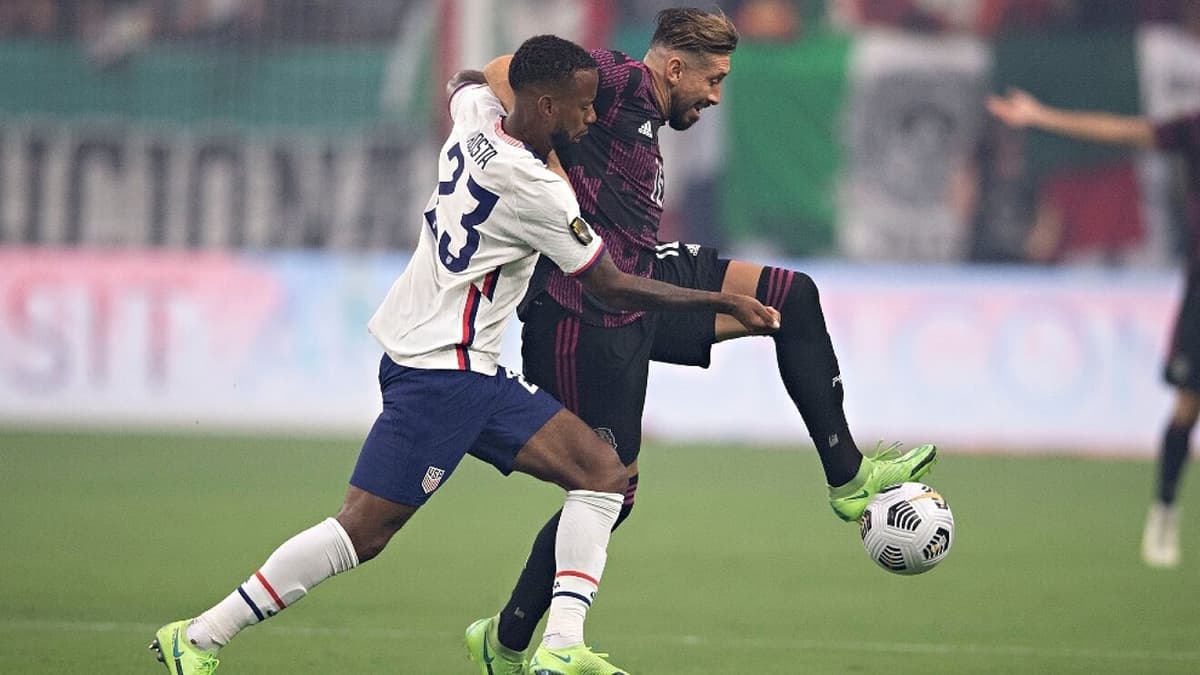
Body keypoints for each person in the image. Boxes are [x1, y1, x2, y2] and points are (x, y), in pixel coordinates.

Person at [149, 34, 780, 675]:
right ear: (542, 106)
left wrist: (502, 107)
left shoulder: (478, 117)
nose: (592, 120)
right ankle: (200, 637)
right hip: (442, 373)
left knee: (603, 475)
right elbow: (610, 282)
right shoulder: (536, 193)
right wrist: (719, 304)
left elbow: (466, 80)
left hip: (462, 363)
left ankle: (561, 647)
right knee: (362, 532)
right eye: (581, 107)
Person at [464, 8, 939, 672]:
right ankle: (513, 640)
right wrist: (552, 178)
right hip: (579, 312)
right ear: (673, 66)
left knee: (790, 298)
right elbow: (497, 72)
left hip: (642, 281)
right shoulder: (617, 78)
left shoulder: (648, 116)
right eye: (712, 80)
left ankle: (848, 478)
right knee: (607, 488)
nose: (716, 96)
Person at [988, 88, 1200, 569]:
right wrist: (1044, 115)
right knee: (1188, 405)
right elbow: (1121, 129)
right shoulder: (1192, 129)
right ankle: (1164, 513)